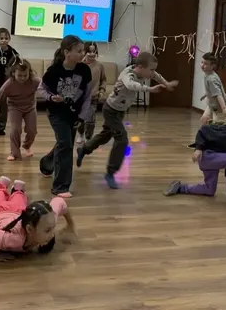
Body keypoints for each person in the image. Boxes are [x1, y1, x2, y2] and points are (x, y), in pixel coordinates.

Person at [77, 51, 179, 189]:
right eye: (151, 69)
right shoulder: (127, 75)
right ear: (140, 67)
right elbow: (132, 85)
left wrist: (166, 84)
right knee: (122, 139)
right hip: (111, 110)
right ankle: (110, 172)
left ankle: (84, 149)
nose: (153, 73)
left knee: (105, 135)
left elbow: (156, 75)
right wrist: (150, 89)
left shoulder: (144, 72)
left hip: (119, 111)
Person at [164, 112, 226, 208]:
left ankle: (180, 188)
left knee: (209, 190)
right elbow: (204, 130)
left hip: (212, 159)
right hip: (207, 156)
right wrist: (199, 148)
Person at [0, 176, 76, 262]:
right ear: (29, 229)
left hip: (18, 212)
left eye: (53, 228)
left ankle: (18, 189)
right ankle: (0, 185)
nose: (52, 234)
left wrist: (70, 225)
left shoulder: (48, 219)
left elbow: (59, 201)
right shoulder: (13, 238)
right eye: (47, 230)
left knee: (19, 199)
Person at [39, 35, 92, 198]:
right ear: (66, 52)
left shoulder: (84, 71)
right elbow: (41, 89)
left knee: (64, 143)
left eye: (83, 51)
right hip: (56, 113)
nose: (83, 54)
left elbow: (87, 96)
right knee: (66, 145)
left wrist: (82, 117)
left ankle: (47, 163)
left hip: (74, 115)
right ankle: (60, 187)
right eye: (79, 51)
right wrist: (50, 97)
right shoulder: (54, 71)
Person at [0, 56, 40, 161]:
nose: (22, 78)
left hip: (30, 107)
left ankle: (27, 145)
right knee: (15, 129)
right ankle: (14, 152)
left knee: (32, 130)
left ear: (29, 73)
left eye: (25, 75)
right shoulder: (9, 84)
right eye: (19, 75)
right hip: (15, 107)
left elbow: (46, 87)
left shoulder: (34, 81)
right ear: (13, 73)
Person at [76, 41, 107, 146]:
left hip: (93, 98)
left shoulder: (100, 66)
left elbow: (103, 80)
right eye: (89, 51)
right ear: (84, 52)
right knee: (80, 119)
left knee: (90, 121)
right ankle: (81, 134)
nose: (92, 54)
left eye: (94, 51)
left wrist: (102, 90)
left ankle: (88, 138)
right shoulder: (79, 65)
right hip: (80, 98)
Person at [199, 52, 226, 125]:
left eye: (206, 64)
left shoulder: (212, 79)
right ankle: (207, 131)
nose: (202, 65)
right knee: (204, 119)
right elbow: (211, 89)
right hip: (211, 104)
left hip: (219, 106)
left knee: (217, 125)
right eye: (202, 62)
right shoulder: (207, 74)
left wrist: (224, 109)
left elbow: (218, 95)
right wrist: (205, 94)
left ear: (213, 66)